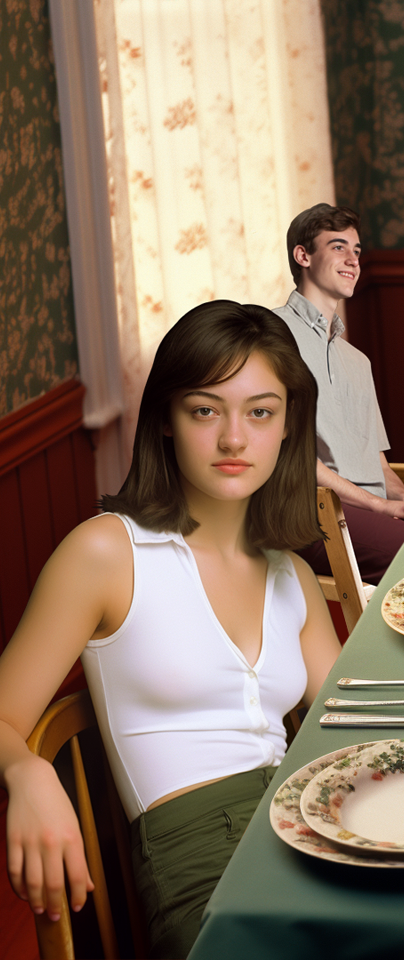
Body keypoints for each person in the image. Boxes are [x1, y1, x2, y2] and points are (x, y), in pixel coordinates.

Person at [0, 302, 343, 958]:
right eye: (206, 410)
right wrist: (25, 772)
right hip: (201, 873)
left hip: (312, 831)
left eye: (261, 412)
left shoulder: (291, 575)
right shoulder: (106, 553)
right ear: (165, 419)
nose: (234, 439)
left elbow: (349, 727)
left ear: (289, 427)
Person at [275, 202, 404, 582]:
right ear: (303, 255)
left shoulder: (357, 362)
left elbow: (380, 465)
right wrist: (380, 507)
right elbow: (297, 460)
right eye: (339, 247)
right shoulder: (270, 334)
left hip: (367, 512)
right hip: (313, 511)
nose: (353, 260)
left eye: (357, 251)